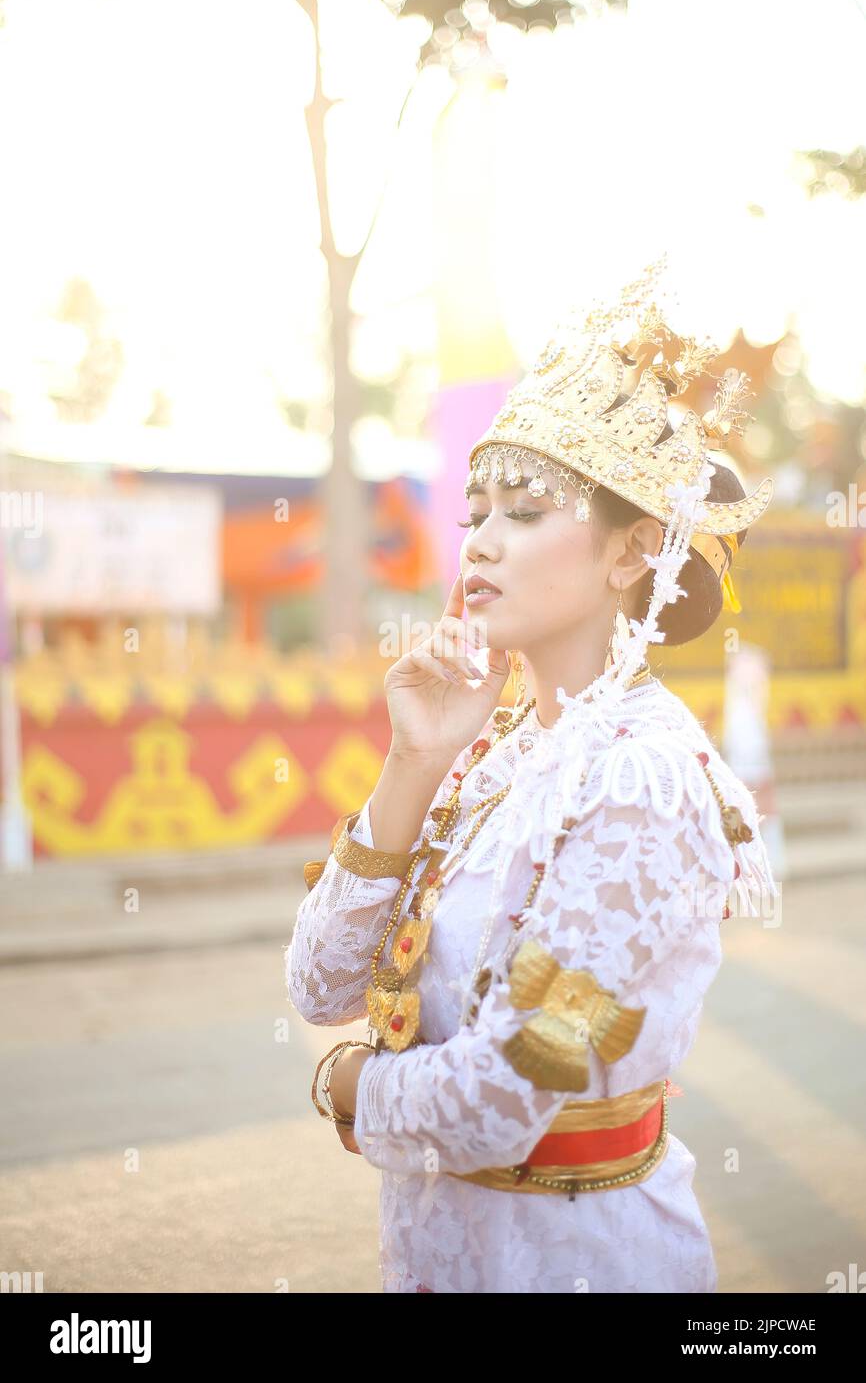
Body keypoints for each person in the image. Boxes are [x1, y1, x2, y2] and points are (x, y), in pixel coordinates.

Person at [285, 259, 779, 1293]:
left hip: (576, 1260)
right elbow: (320, 982)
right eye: (475, 513)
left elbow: (504, 1094)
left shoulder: (643, 783)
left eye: (525, 511)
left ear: (631, 552)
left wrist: (343, 1086)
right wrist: (412, 762)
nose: (480, 543)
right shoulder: (490, 758)